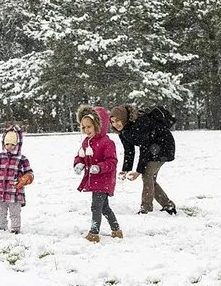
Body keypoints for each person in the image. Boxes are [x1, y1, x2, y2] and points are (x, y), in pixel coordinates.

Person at [109, 104, 177, 215]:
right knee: (150, 178)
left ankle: (146, 208)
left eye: (117, 120)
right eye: (112, 122)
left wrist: (138, 171)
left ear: (124, 118)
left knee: (147, 175)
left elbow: (144, 149)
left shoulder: (139, 124)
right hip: (152, 148)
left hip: (163, 146)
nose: (115, 124)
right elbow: (129, 151)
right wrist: (125, 170)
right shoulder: (123, 131)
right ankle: (168, 205)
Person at [73, 105, 123, 243]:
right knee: (104, 208)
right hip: (94, 179)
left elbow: (112, 162)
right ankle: (116, 229)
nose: (86, 130)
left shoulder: (107, 143)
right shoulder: (86, 142)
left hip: (104, 179)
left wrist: (99, 168)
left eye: (89, 127)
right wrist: (79, 163)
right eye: (83, 127)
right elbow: (80, 156)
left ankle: (94, 232)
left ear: (98, 125)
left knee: (96, 206)